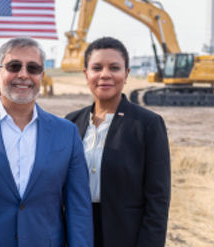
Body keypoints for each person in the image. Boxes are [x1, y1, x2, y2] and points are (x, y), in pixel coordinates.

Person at [0, 37, 93, 247]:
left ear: (41, 75)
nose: (23, 74)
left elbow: (78, 209)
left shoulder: (67, 134)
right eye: (14, 66)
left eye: (32, 68)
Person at [65, 37, 171, 247]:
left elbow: (158, 199)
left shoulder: (147, 124)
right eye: (97, 68)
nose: (105, 74)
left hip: (125, 235)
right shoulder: (70, 123)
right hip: (77, 233)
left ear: (126, 73)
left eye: (114, 67)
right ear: (87, 74)